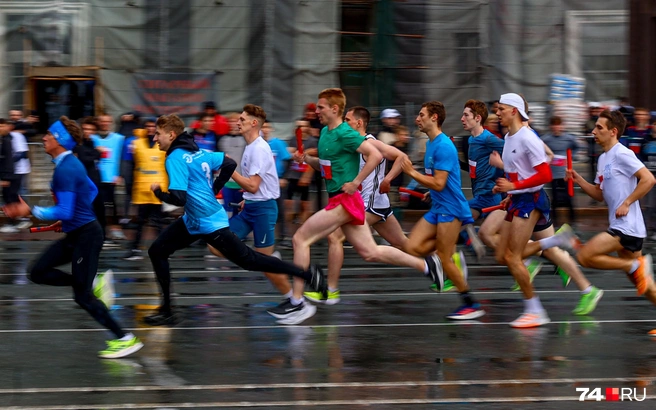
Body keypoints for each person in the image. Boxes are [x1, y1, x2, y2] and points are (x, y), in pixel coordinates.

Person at [276, 88, 442, 326]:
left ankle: (298, 302)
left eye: (321, 107)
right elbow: (325, 167)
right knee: (370, 252)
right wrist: (306, 160)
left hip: (346, 201)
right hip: (341, 200)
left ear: (335, 109)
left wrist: (355, 182)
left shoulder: (346, 133)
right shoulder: (325, 133)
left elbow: (374, 156)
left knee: (300, 239)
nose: (317, 110)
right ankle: (427, 265)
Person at [144, 114, 326, 326]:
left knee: (250, 260)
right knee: (157, 251)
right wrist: (214, 188)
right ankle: (167, 310)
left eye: (158, 133)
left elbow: (178, 198)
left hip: (209, 223)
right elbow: (229, 162)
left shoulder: (174, 158)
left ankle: (308, 273)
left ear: (171, 134)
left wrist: (159, 194)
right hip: (194, 220)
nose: (155, 138)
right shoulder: (198, 151)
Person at [2, 116, 143, 358]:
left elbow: (66, 208)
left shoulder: (66, 168)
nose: (43, 138)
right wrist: (71, 218)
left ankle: (125, 338)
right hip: (77, 232)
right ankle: (91, 283)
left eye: (48, 134)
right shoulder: (68, 163)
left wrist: (32, 211)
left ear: (59, 140)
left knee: (82, 297)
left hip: (87, 236)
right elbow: (91, 190)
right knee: (37, 272)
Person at [303, 106, 411, 304]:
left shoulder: (371, 142)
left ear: (359, 123)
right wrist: (309, 159)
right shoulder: (350, 144)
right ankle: (440, 263)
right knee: (403, 244)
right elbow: (328, 166)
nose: (344, 123)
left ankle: (331, 290)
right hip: (373, 204)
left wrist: (387, 179)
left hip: (370, 203)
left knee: (335, 236)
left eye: (348, 120)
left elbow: (402, 157)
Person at [567, 109, 656, 336]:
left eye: (599, 128)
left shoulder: (622, 153)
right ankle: (636, 267)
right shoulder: (604, 158)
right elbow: (599, 194)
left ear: (613, 132)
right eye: (595, 127)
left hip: (627, 226)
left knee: (585, 256)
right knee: (642, 283)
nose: (593, 131)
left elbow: (649, 179)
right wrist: (578, 179)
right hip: (622, 226)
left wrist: (627, 202)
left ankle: (635, 265)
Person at [401, 101, 485, 320]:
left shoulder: (444, 145)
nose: (417, 119)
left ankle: (471, 303)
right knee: (412, 246)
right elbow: (438, 183)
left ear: (434, 117)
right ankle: (456, 242)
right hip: (438, 205)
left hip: (451, 208)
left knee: (445, 259)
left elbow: (439, 182)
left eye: (421, 115)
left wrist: (412, 173)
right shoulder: (430, 143)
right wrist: (431, 191)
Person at [207, 104, 294, 306]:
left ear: (254, 123)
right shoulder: (250, 147)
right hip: (251, 207)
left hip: (264, 210)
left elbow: (254, 185)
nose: (238, 122)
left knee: (264, 265)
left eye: (242, 120)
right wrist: (247, 197)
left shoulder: (259, 149)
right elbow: (255, 186)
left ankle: (295, 301)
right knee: (214, 245)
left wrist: (229, 170)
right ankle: (259, 258)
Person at [491, 93, 557, 328]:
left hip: (532, 200)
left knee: (513, 257)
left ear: (514, 111)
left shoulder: (528, 138)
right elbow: (518, 170)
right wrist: (510, 194)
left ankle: (535, 310)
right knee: (501, 256)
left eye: (500, 109)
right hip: (518, 199)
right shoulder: (509, 136)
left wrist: (514, 187)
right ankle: (552, 242)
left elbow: (545, 174)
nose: (496, 113)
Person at [122, 127, 167, 261]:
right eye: (148, 126)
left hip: (157, 189)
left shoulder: (164, 143)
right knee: (140, 222)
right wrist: (129, 183)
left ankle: (164, 249)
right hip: (142, 189)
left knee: (157, 222)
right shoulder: (136, 142)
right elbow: (130, 163)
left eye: (154, 127)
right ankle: (135, 249)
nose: (151, 129)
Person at [91, 114, 125, 246]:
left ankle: (115, 229)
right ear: (98, 122)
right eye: (102, 121)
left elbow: (122, 157)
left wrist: (120, 174)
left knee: (112, 204)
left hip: (111, 177)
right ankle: (101, 232)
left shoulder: (118, 139)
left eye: (107, 121)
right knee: (99, 206)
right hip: (96, 177)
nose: (105, 123)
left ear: (111, 122)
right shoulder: (93, 139)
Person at [541, 116, 578, 224]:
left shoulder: (569, 138)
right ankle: (554, 221)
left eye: (559, 125)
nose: (557, 127)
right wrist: (547, 159)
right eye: (554, 125)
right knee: (554, 198)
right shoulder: (546, 139)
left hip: (565, 173)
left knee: (569, 197)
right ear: (551, 126)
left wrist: (571, 157)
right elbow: (538, 149)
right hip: (552, 173)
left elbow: (577, 146)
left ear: (562, 126)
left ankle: (573, 221)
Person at [261, 120, 291, 242]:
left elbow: (287, 160)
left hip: (276, 181)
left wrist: (285, 178)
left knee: (280, 209)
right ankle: (265, 235)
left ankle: (283, 235)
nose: (265, 130)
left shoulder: (277, 143)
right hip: (262, 182)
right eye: (262, 127)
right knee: (263, 209)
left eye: (267, 127)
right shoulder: (257, 145)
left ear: (271, 129)